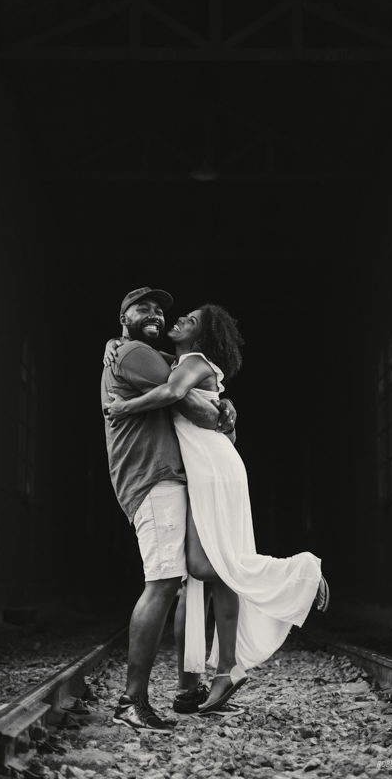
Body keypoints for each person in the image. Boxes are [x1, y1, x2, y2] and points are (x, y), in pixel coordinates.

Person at [104, 302, 329, 714]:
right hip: (205, 465)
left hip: (209, 467)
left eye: (189, 320)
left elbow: (174, 394)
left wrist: (123, 408)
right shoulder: (170, 360)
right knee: (208, 569)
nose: (176, 319)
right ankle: (224, 669)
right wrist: (113, 344)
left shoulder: (191, 362)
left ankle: (301, 573)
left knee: (208, 565)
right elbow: (174, 379)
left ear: (202, 337)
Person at [101, 287, 237, 734]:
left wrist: (220, 398)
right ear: (124, 318)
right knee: (161, 582)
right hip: (154, 476)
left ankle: (185, 690)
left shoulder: (149, 355)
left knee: (183, 583)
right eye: (143, 308)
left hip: (166, 475)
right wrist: (220, 406)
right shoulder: (136, 353)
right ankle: (131, 702)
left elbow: (195, 386)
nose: (156, 314)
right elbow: (195, 405)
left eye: (160, 309)